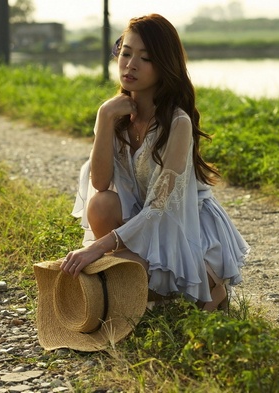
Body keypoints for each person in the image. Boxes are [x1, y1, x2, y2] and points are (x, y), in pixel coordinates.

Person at [60, 14, 250, 311]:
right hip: (140, 219)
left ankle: (211, 285)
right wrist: (104, 117)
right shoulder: (116, 115)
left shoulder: (178, 123)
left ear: (164, 66)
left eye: (145, 58)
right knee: (100, 203)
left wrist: (98, 248)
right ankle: (141, 281)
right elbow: (99, 183)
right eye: (125, 53)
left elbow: (159, 209)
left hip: (181, 223)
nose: (130, 64)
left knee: (120, 271)